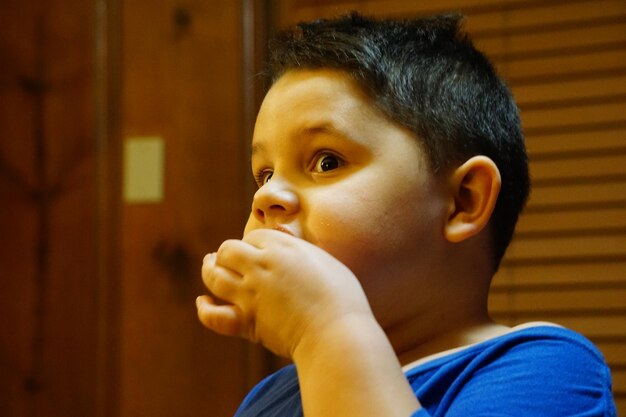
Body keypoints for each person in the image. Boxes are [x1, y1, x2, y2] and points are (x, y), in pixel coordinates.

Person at [196, 12, 617, 417]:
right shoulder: (274, 394)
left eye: (326, 161)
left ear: (463, 201)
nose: (267, 196)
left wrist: (326, 329)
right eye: (264, 174)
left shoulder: (544, 370)